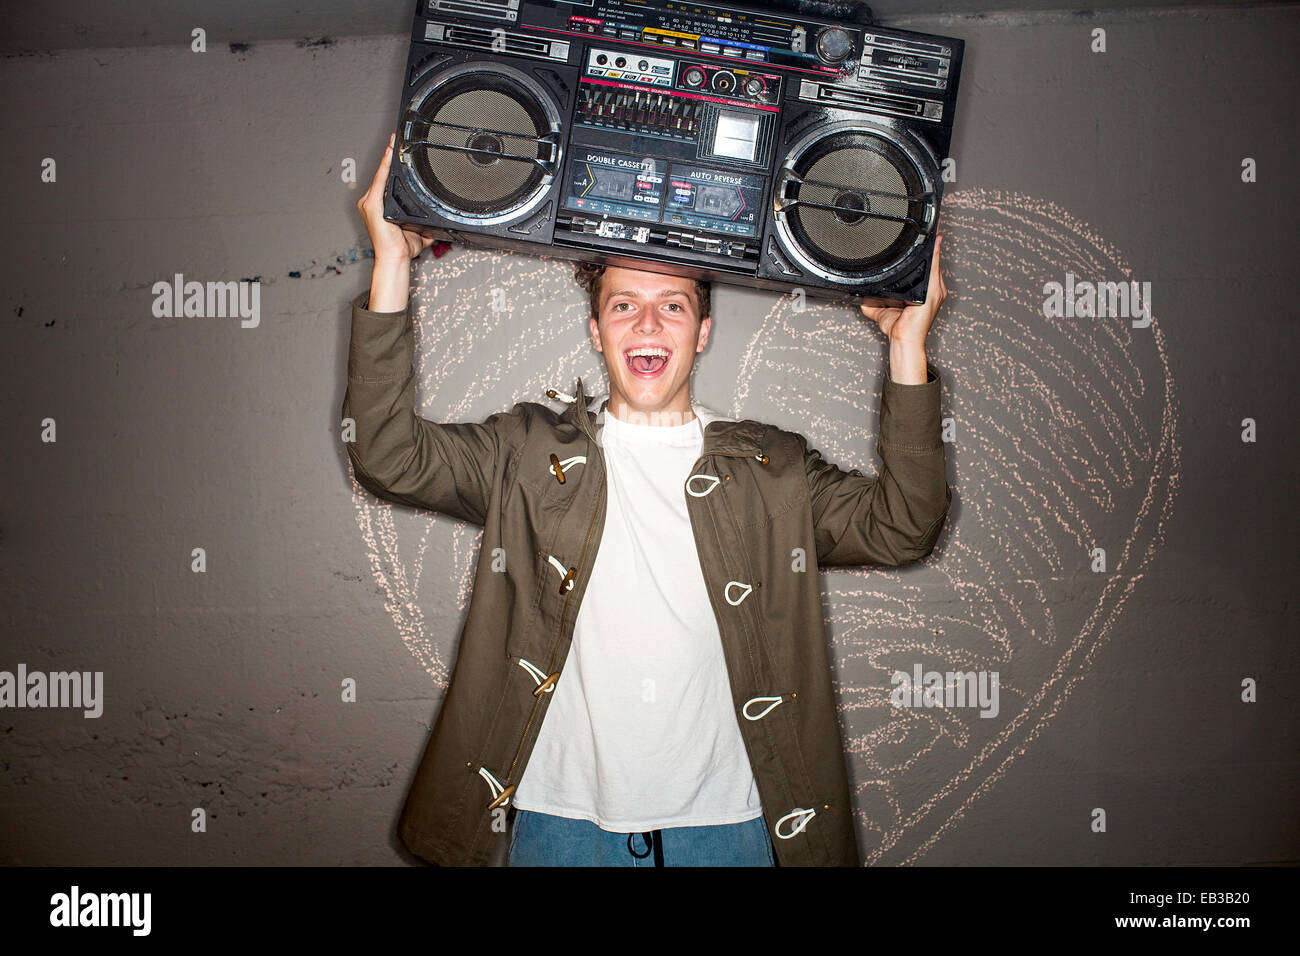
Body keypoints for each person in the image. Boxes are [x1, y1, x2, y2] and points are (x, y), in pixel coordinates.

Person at [345, 135, 952, 866]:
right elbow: (387, 456)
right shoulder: (526, 453)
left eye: (672, 306)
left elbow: (905, 527)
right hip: (561, 822)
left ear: (702, 333)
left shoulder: (774, 470)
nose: (648, 323)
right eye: (624, 305)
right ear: (597, 331)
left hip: (731, 826)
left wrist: (907, 345)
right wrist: (390, 261)